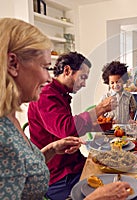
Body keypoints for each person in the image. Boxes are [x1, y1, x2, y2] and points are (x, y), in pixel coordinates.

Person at [0, 18, 130, 200]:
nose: (48, 78)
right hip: (62, 178)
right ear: (13, 64)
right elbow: (67, 128)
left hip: (70, 166)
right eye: (45, 67)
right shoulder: (6, 134)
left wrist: (53, 148)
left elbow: (27, 166)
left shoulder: (10, 118)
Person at [26, 52, 119, 199]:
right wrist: (100, 108)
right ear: (67, 71)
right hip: (59, 175)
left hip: (73, 163)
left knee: (115, 173)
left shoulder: (60, 93)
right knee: (113, 190)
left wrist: (99, 126)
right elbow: (66, 128)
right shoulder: (46, 95)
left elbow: (68, 127)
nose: (84, 84)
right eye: (82, 77)